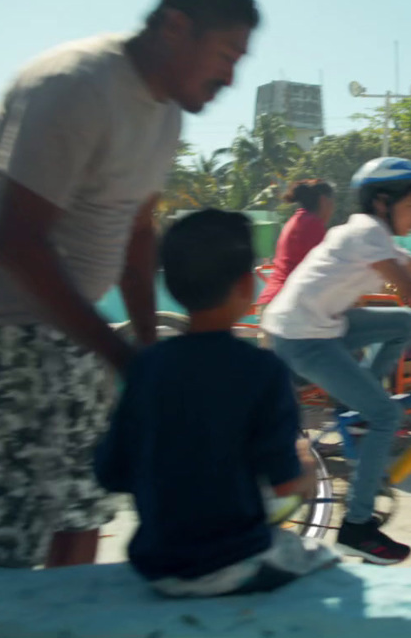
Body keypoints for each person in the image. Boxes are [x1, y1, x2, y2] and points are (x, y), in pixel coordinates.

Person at [0, 0, 258, 569]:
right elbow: (17, 243)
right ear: (176, 27)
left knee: (82, 511)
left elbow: (139, 231)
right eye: (225, 55)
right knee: (1, 544)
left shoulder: (166, 115)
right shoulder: (77, 84)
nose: (231, 77)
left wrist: (148, 346)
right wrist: (123, 358)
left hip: (74, 334)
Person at [261, 157, 411, 566]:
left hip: (321, 325)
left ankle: (356, 407)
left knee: (403, 325)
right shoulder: (367, 232)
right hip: (300, 338)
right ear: (383, 202)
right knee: (387, 416)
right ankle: (357, 528)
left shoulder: (375, 237)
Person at [95, 210, 339, 598]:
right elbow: (286, 483)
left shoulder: (145, 367)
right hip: (235, 563)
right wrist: (307, 467)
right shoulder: (263, 371)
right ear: (246, 284)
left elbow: (111, 472)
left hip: (157, 566)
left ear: (173, 287)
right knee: (330, 566)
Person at [257, 179, 335, 306]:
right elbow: (328, 268)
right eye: (332, 203)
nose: (332, 210)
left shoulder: (294, 221)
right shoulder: (313, 224)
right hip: (288, 303)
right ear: (324, 201)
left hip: (272, 299)